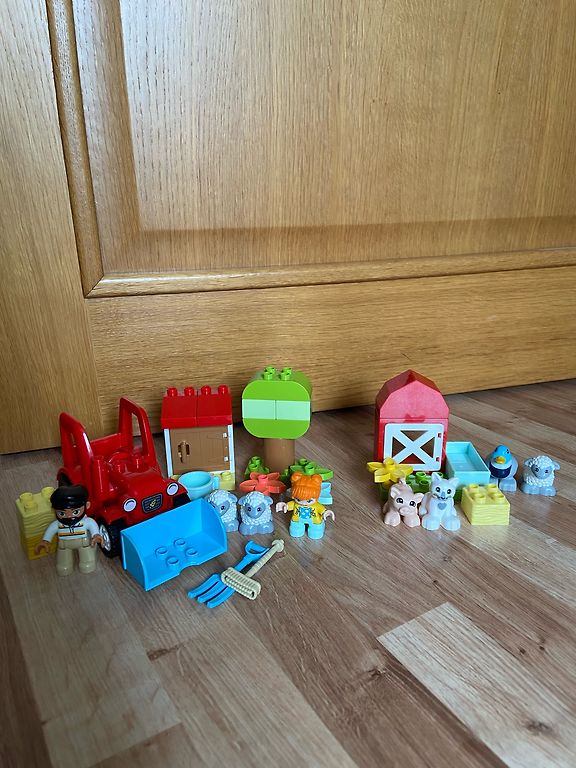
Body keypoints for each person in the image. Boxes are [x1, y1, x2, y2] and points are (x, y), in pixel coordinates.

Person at [35, 485, 102, 576]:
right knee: (63, 564)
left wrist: (96, 535)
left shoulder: (86, 521)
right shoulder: (57, 524)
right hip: (64, 545)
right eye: (62, 513)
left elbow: (93, 526)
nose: (69, 516)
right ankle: (65, 564)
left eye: (75, 512)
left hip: (83, 544)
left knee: (87, 561)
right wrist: (45, 541)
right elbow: (51, 530)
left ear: (87, 505)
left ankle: (87, 561)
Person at [276, 472, 334, 539]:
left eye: (309, 501)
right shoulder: (295, 504)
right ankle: (297, 529)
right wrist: (285, 506)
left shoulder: (316, 505)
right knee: (295, 529)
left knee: (315, 531)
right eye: (298, 499)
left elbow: (321, 509)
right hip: (297, 520)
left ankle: (315, 530)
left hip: (314, 520)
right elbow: (290, 505)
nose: (304, 503)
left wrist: (325, 512)